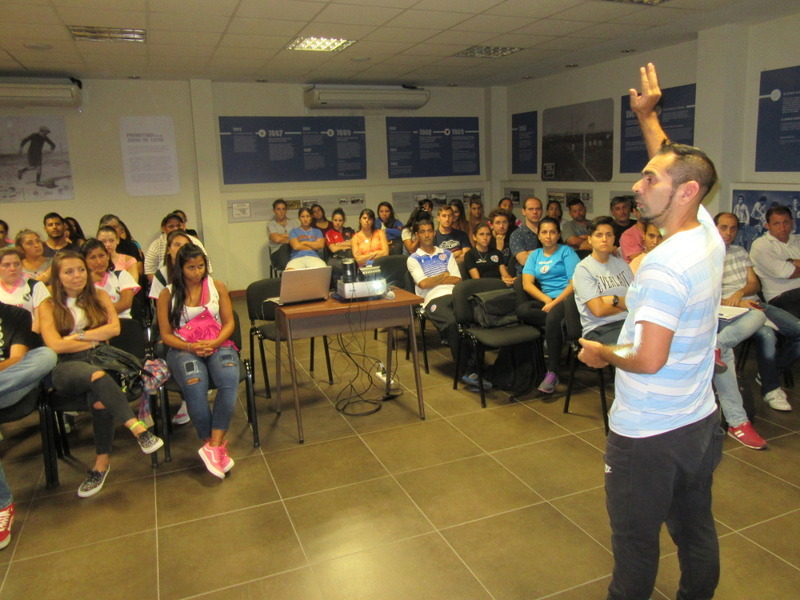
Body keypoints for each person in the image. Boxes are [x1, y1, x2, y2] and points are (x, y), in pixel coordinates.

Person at [578, 63, 725, 600]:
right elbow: (681, 163)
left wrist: (601, 352)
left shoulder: (663, 267)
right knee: (696, 532)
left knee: (635, 547)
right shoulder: (706, 232)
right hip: (698, 423)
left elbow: (647, 359)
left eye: (649, 181)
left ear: (685, 193)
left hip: (649, 435)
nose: (638, 187)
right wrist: (648, 117)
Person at [39, 251, 164, 498]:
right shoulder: (48, 304)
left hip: (101, 357)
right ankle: (138, 429)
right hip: (66, 366)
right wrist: (93, 338)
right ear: (57, 276)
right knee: (97, 377)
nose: (77, 276)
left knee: (100, 398)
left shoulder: (100, 295)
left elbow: (114, 329)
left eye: (80, 270)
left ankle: (101, 464)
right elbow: (55, 346)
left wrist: (78, 337)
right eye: (69, 271)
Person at [156, 244, 239, 479]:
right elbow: (166, 335)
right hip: (183, 347)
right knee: (195, 383)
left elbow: (229, 323)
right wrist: (191, 346)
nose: (197, 272)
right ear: (180, 269)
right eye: (191, 267)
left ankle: (215, 446)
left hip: (217, 342)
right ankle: (211, 443)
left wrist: (214, 343)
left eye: (201, 266)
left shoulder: (216, 286)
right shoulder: (167, 294)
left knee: (229, 379)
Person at [715, 212, 799, 415]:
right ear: (714, 228)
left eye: (733, 228)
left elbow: (754, 283)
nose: (729, 233)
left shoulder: (740, 251)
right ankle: (771, 390)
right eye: (724, 227)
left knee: (797, 328)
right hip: (726, 311)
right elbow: (705, 295)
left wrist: (741, 294)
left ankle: (770, 369)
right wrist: (734, 302)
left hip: (753, 304)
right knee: (767, 335)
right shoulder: (706, 255)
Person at [0, 303, 58, 549]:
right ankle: (3, 504)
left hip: (9, 383)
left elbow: (17, 359)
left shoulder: (14, 314)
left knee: (46, 355)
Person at [516, 216, 579, 393]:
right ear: (538, 234)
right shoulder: (535, 255)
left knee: (552, 319)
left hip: (567, 299)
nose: (548, 236)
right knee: (523, 310)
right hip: (547, 299)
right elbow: (526, 284)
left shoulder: (567, 252)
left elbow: (574, 284)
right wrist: (546, 300)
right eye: (544, 232)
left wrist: (556, 302)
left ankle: (553, 373)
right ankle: (559, 329)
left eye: (552, 232)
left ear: (558, 234)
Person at [148, 230, 193, 427]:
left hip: (194, 327)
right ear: (169, 250)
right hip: (170, 327)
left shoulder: (197, 270)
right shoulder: (162, 274)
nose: (180, 249)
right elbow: (160, 313)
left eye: (184, 245)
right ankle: (187, 397)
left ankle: (192, 394)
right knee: (162, 349)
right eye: (176, 245)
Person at [572, 216, 632, 345]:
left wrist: (613, 299)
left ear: (614, 238)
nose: (604, 239)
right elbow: (598, 311)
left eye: (609, 235)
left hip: (627, 323)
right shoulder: (583, 269)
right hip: (599, 329)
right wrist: (626, 305)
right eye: (599, 235)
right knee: (635, 348)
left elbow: (636, 301)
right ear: (590, 239)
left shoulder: (622, 265)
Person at [750, 205, 800, 319]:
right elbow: (786, 273)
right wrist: (794, 263)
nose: (782, 228)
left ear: (792, 222)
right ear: (767, 226)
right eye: (776, 224)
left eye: (785, 222)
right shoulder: (761, 245)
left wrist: (792, 262)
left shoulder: (798, 240)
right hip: (779, 298)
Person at [82, 239, 141, 319]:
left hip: (122, 322)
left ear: (108, 256)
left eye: (101, 255)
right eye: (92, 258)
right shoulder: (81, 283)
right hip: (94, 325)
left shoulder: (121, 275)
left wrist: (99, 315)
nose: (99, 262)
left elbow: (125, 303)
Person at [144, 212, 209, 281]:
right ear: (164, 229)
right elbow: (150, 272)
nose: (175, 229)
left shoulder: (195, 242)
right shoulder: (156, 245)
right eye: (171, 226)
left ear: (184, 226)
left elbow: (207, 268)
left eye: (179, 225)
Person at [0, 247, 50, 332]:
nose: (13, 269)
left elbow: (40, 321)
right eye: (6, 265)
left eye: (17, 264)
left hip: (29, 338)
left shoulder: (36, 286)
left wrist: (26, 341)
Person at [509, 196, 542, 269]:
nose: (535, 212)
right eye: (530, 209)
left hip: (550, 274)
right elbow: (523, 260)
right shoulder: (517, 234)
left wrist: (529, 253)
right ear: (523, 211)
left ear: (542, 211)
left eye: (538, 209)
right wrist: (548, 252)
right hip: (525, 275)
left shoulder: (549, 232)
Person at [266, 198, 298, 272]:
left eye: (283, 209)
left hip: (293, 251)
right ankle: (288, 274)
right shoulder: (271, 225)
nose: (281, 212)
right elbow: (277, 239)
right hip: (277, 254)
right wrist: (291, 237)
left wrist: (282, 235)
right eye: (278, 209)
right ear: (274, 211)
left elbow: (299, 238)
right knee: (285, 247)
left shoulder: (294, 223)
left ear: (286, 210)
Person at [487, 208, 515, 275]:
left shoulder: (513, 237)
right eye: (498, 223)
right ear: (491, 225)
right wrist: (498, 250)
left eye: (504, 222)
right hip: (493, 274)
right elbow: (488, 265)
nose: (501, 226)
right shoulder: (486, 238)